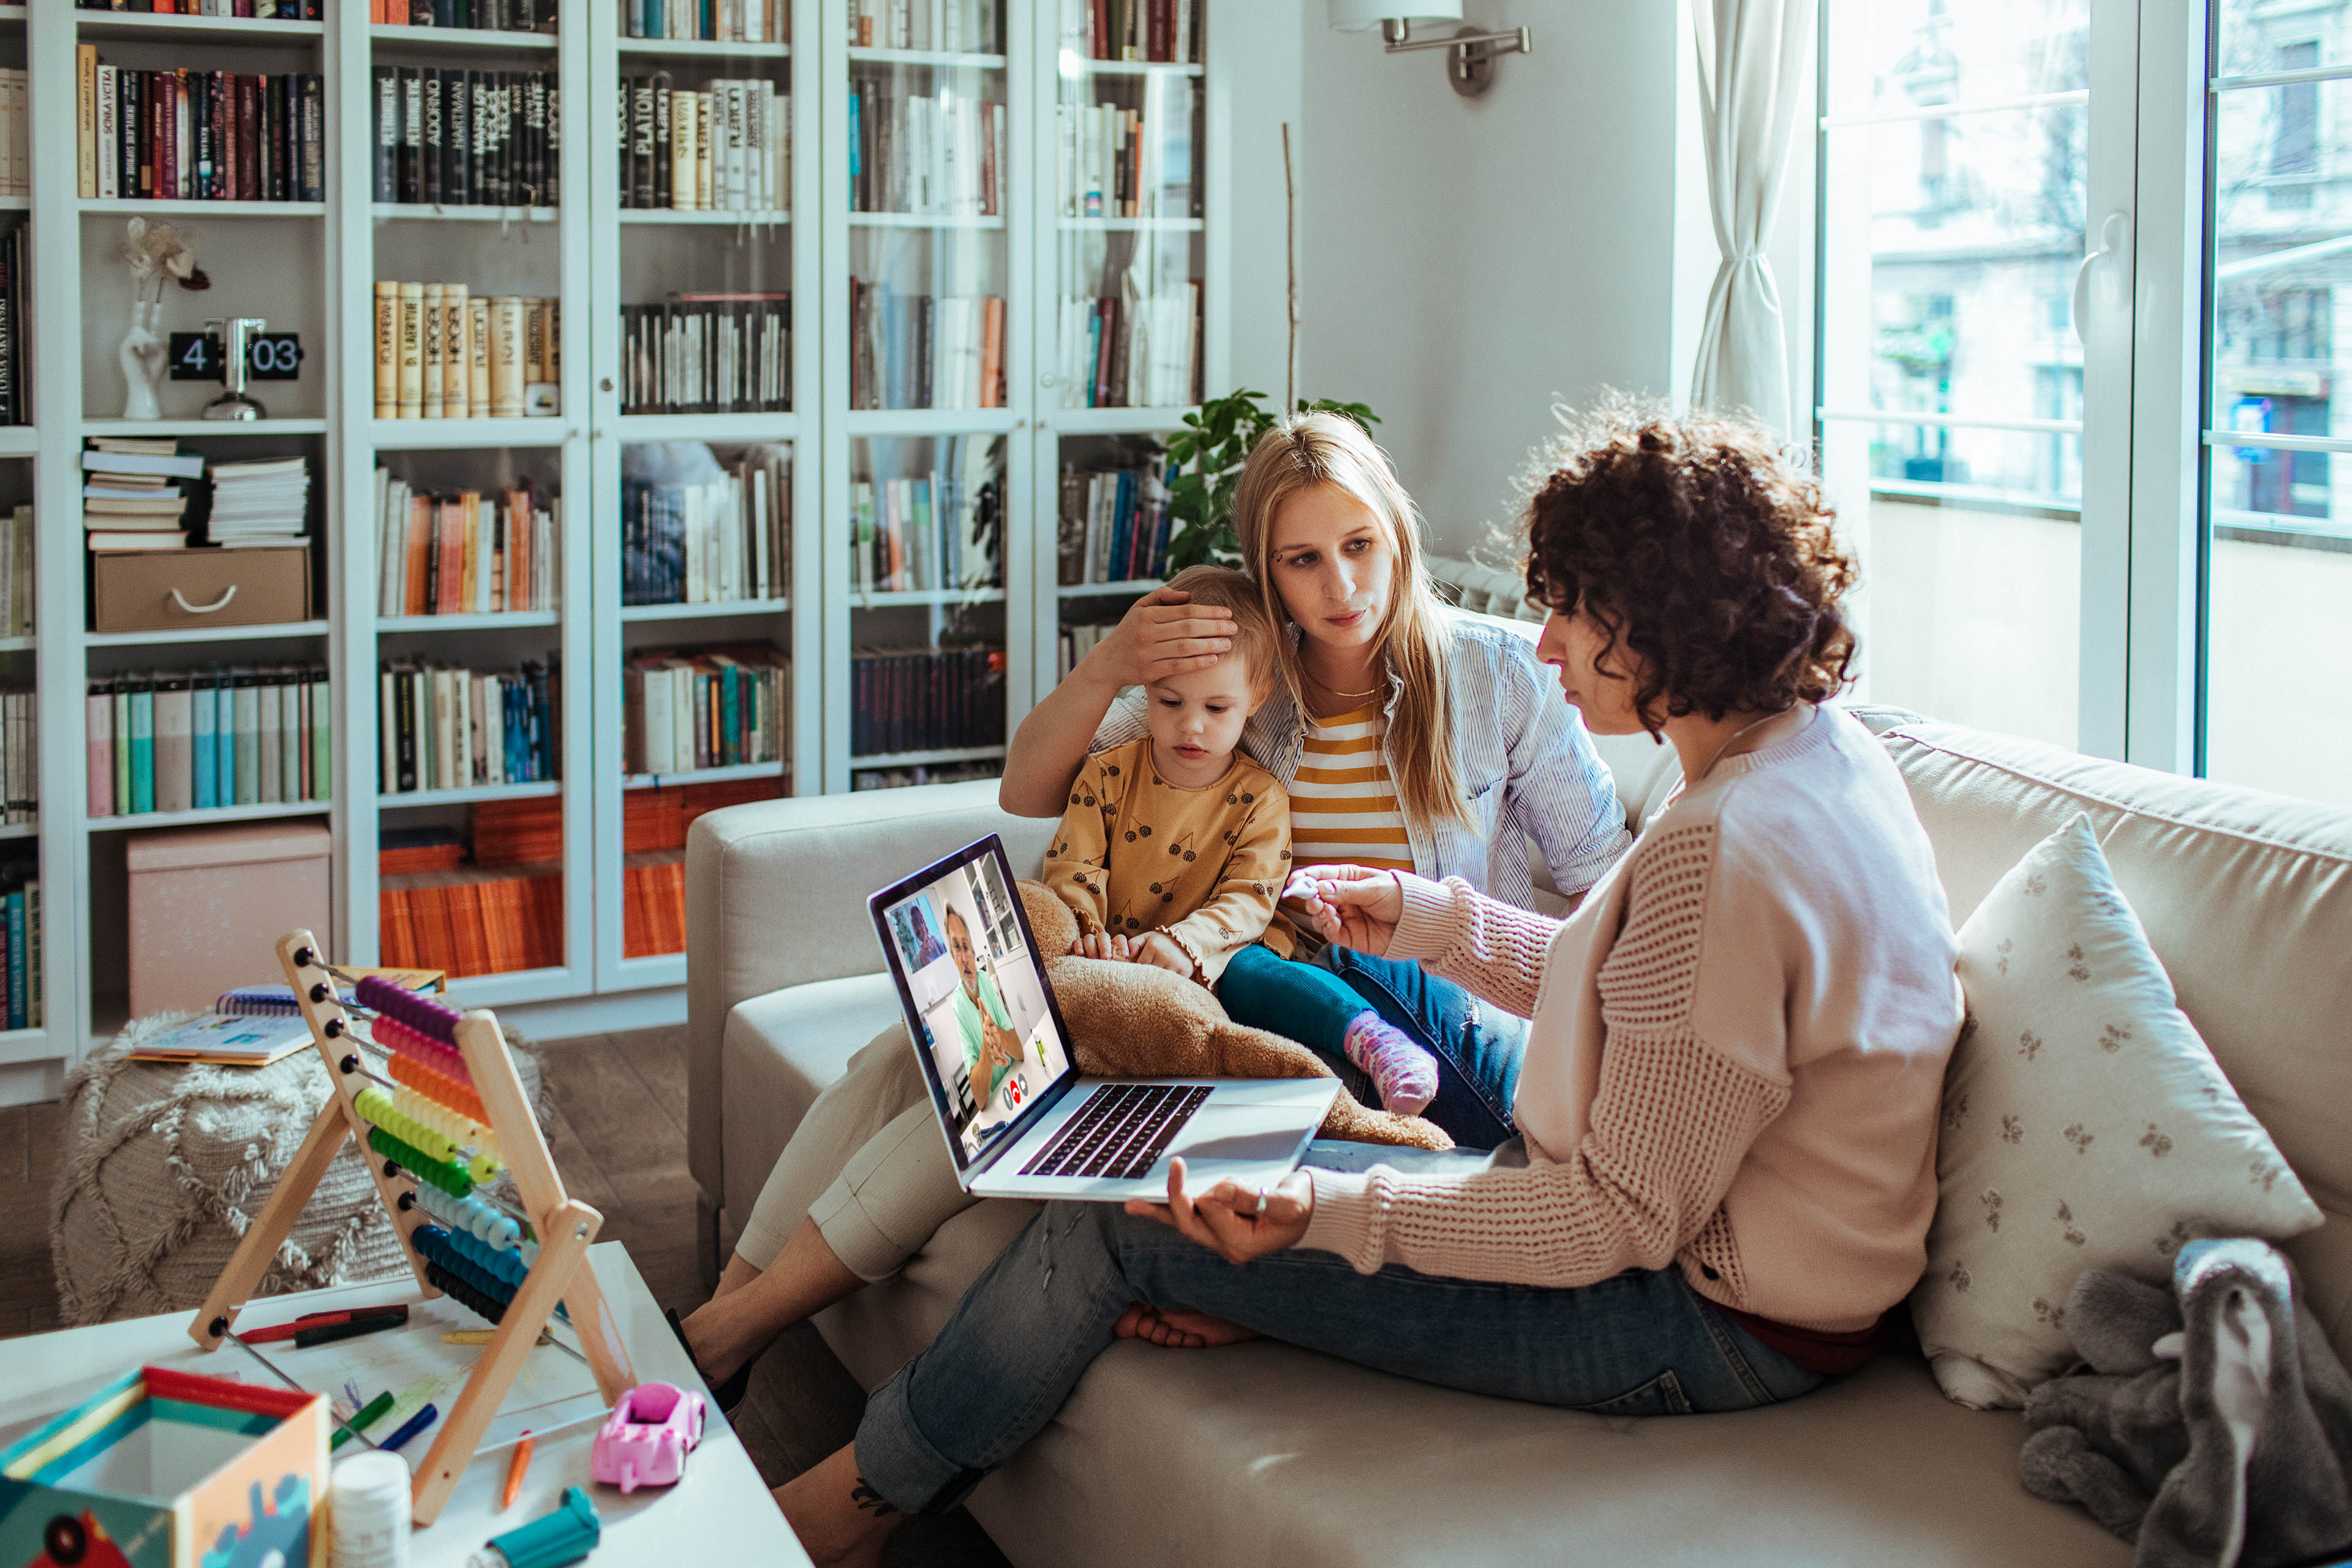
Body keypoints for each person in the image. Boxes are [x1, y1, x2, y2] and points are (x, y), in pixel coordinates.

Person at [772, 402, 1967, 1564]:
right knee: (1197, 1040)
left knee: (1125, 1212)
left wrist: (1326, 1214)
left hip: (1698, 1317)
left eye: (1572, 612)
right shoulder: (1814, 756)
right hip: (1698, 1252)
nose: (1545, 644)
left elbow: (1612, 1219)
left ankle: (850, 1503)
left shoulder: (1727, 844)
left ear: (1664, 620)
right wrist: (1437, 923)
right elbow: (1647, 1005)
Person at [675, 413, 1626, 1395]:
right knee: (923, 1046)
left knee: (1012, 1057)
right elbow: (1029, 791)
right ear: (1267, 571)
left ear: (1397, 532)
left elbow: (1606, 885)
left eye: (1360, 546)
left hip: (1395, 1030)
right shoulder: (1242, 675)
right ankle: (728, 1317)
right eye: (1303, 560)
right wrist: (1110, 664)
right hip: (1230, 990)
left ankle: (727, 1334)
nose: (1341, 587)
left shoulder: (1495, 674)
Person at [1045, 562, 1439, 1109]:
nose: (1191, 726)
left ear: (1257, 697)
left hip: (1224, 957)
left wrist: (1188, 944)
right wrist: (1089, 932)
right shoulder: (1107, 773)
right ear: (1146, 691)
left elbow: (1251, 900)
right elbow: (1073, 865)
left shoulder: (1261, 797)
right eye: (1170, 702)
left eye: (1216, 707)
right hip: (1120, 960)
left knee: (1256, 975)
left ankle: (1372, 1040)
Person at [938, 903, 1019, 1107]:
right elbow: (980, 1099)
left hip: (1017, 1080)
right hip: (997, 1102)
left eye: (966, 946)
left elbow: (1019, 1051)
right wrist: (987, 1048)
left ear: (973, 952)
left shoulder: (984, 980)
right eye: (957, 948)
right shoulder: (958, 1005)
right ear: (952, 957)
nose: (964, 958)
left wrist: (997, 1034)